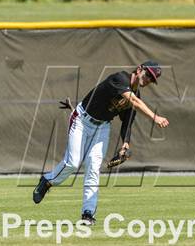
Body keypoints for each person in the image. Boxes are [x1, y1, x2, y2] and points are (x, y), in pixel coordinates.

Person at [33, 61, 169, 225]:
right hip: (82, 120)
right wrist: (155, 117)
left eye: (152, 79)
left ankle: (87, 214)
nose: (148, 80)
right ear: (139, 69)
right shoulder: (120, 78)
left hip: (102, 126)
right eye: (148, 75)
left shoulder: (136, 95)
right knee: (73, 162)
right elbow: (134, 102)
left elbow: (127, 122)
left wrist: (125, 144)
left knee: (93, 167)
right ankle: (47, 181)